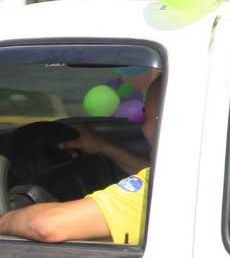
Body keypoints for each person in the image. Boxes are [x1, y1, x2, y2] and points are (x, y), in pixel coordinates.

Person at [0, 75, 161, 245]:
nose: (143, 127)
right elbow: (145, 169)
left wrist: (5, 220)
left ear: (164, 121)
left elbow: (47, 226)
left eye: (146, 116)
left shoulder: (159, 192)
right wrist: (103, 146)